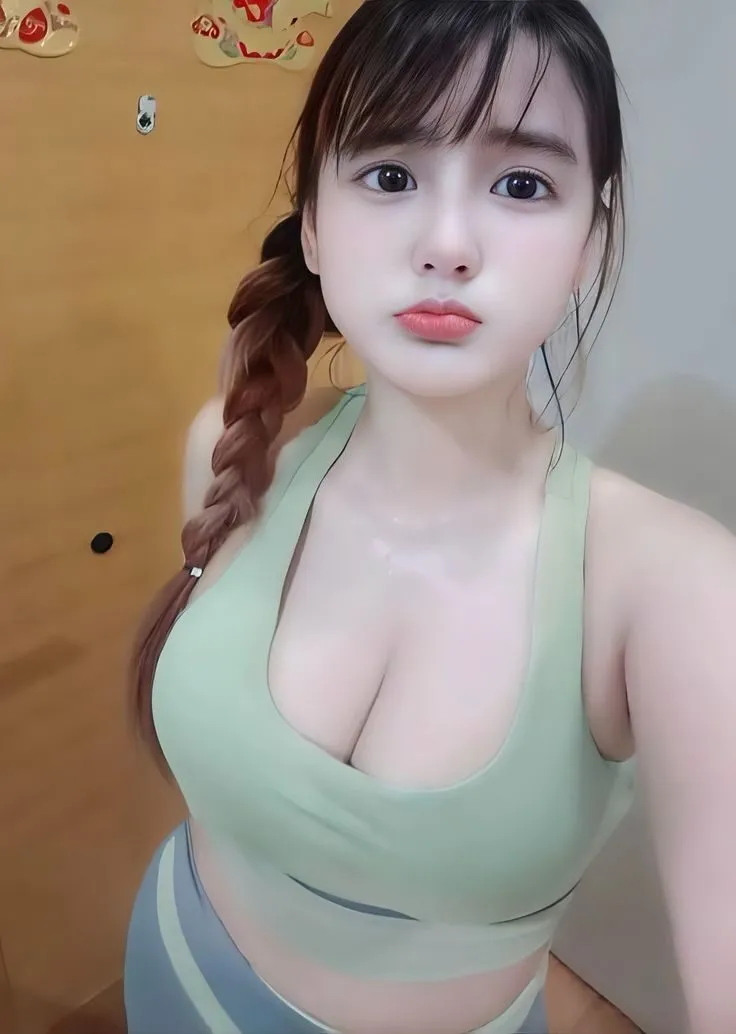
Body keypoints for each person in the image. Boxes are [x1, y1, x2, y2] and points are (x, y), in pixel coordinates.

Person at [123, 2, 736, 1033]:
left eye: (522, 184)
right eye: (390, 174)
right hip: (166, 963)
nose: (447, 244)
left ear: (589, 244)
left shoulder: (675, 588)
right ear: (313, 224)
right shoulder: (233, 451)